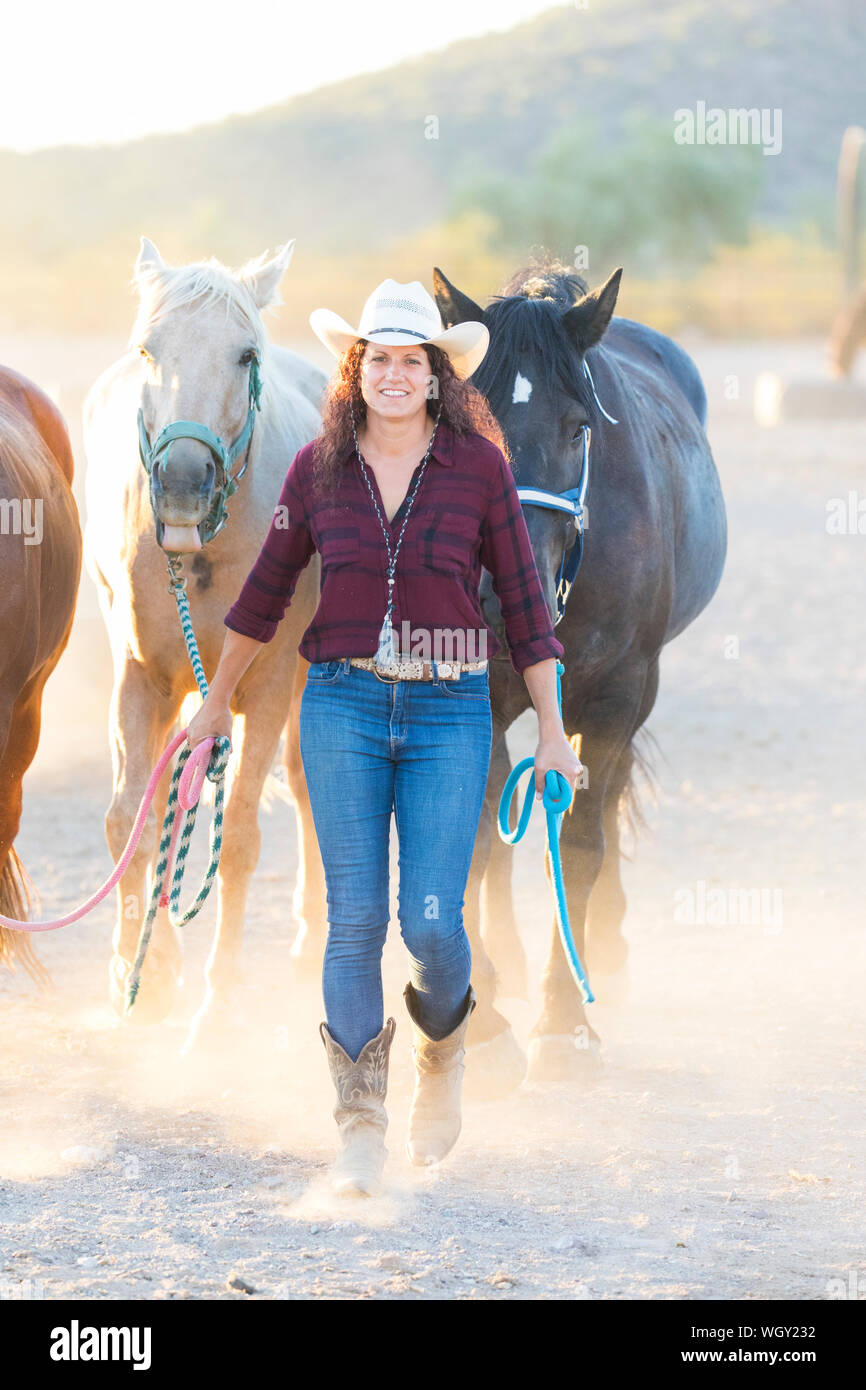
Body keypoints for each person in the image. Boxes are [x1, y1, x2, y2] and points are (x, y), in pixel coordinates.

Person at [186, 278, 583, 1197]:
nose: (396, 374)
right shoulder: (317, 470)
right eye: (381, 359)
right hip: (342, 708)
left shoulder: (481, 470)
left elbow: (527, 611)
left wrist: (554, 734)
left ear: (439, 376)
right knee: (354, 922)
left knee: (434, 926)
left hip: (450, 714)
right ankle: (359, 1123)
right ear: (356, 369)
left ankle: (442, 1058)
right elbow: (263, 597)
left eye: (415, 360)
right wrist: (216, 704)